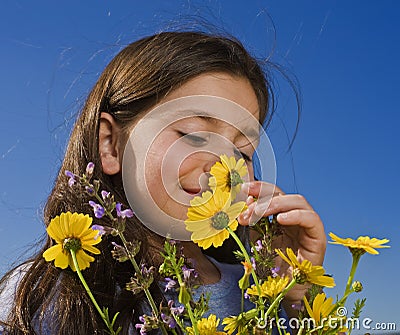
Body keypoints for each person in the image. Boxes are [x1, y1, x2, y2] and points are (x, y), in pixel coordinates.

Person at [0, 31, 326, 334]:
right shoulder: (40, 296)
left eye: (243, 152)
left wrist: (296, 295)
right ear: (111, 144)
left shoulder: (257, 297)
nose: (221, 168)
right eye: (194, 135)